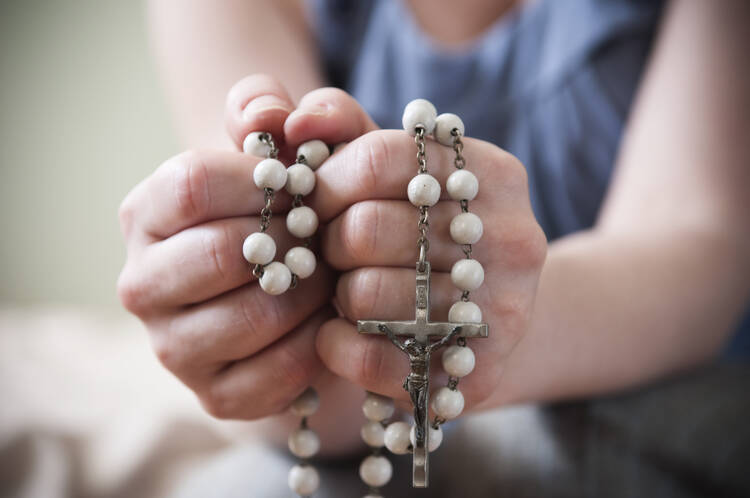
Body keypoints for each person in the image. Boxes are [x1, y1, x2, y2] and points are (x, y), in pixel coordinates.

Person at [118, 0, 750, 495]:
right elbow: (305, 381)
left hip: (683, 379)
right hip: (382, 426)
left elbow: (699, 247)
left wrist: (492, 325)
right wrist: (245, 347)